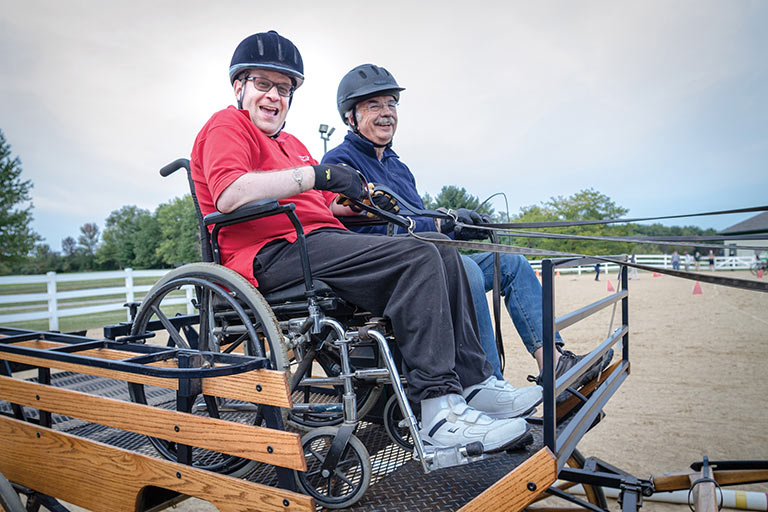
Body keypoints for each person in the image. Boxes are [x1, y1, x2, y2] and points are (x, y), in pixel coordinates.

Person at [189, 32, 542, 453]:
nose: (273, 97)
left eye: (283, 89)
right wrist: (317, 175)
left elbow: (330, 205)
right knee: (418, 258)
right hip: (271, 253)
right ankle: (438, 413)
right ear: (239, 87)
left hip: (320, 241)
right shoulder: (226, 125)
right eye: (263, 85)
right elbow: (229, 194)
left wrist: (368, 201)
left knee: (435, 245)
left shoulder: (293, 144)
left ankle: (476, 385)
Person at [323, 63, 611, 390]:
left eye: (391, 103)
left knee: (511, 263)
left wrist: (458, 226)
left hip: (427, 259)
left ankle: (554, 364)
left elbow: (417, 215)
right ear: (350, 117)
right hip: (383, 271)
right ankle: (488, 385)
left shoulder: (398, 166)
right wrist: (438, 222)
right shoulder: (339, 163)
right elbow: (371, 225)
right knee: (467, 270)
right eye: (374, 105)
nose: (386, 113)